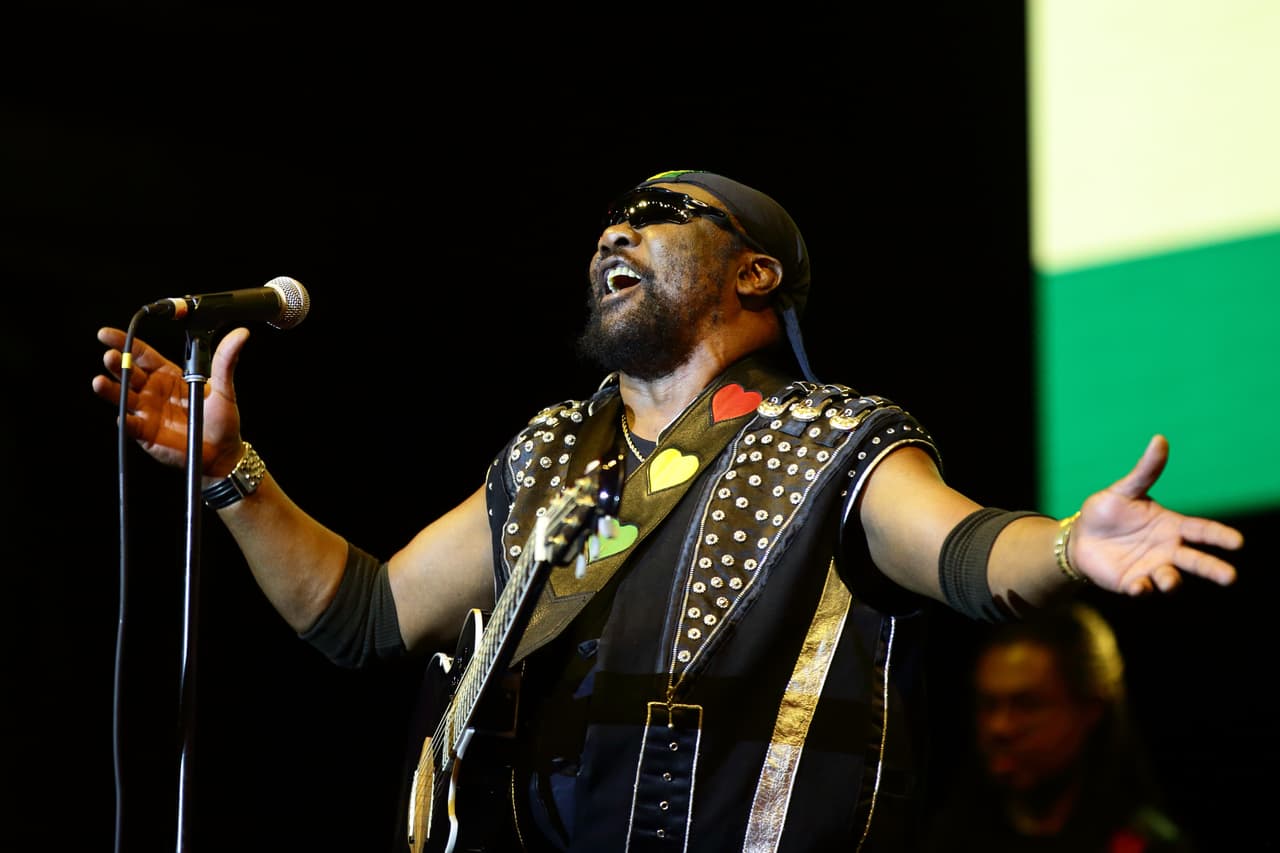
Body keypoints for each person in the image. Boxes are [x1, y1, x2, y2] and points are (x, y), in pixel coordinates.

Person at [92, 170, 1244, 852]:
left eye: (657, 213)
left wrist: (1063, 547)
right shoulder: (550, 453)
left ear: (754, 275)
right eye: (608, 220)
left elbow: (955, 547)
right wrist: (230, 470)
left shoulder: (829, 438)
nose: (612, 232)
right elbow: (364, 617)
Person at [922, 600, 1196, 852]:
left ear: (1090, 709)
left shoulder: (1143, 844)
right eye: (988, 705)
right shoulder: (947, 836)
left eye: (1027, 705)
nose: (999, 727)